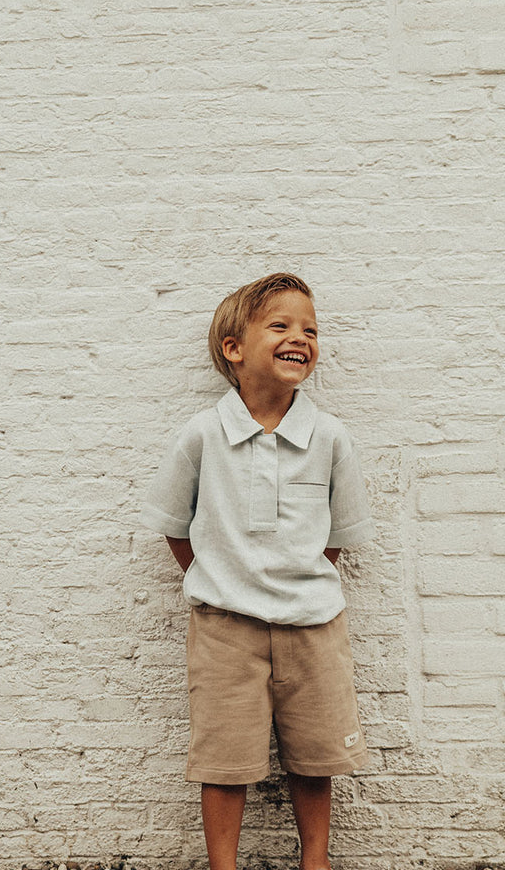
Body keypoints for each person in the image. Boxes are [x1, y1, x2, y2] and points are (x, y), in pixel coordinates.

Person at [140, 272, 374, 870]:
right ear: (234, 348)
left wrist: (295, 584)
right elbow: (175, 526)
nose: (300, 337)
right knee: (224, 761)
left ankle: (314, 862)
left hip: (314, 626)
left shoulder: (329, 437)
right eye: (281, 325)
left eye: (310, 329)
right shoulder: (201, 435)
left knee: (316, 756)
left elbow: (336, 541)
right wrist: (222, 579)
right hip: (224, 629)